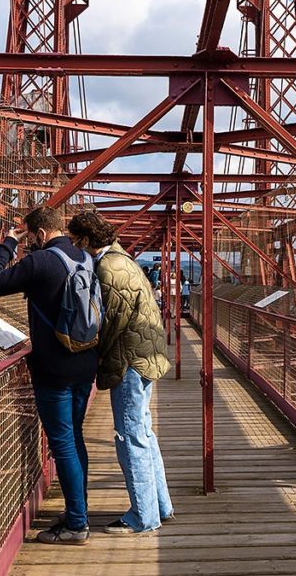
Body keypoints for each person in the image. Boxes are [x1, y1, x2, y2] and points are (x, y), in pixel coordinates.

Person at [0, 207, 96, 546]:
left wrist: (7, 245)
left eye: (31, 238)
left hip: (54, 369)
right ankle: (79, 510)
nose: (30, 243)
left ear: (41, 234)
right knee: (75, 439)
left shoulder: (40, 261)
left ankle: (76, 524)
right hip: (84, 362)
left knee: (62, 444)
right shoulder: (85, 258)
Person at [68, 211, 175, 534]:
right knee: (143, 432)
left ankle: (143, 517)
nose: (74, 246)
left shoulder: (108, 266)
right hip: (145, 354)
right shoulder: (121, 258)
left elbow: (110, 323)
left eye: (75, 241)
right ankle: (160, 506)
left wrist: (91, 354)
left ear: (86, 240)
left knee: (130, 437)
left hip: (130, 359)